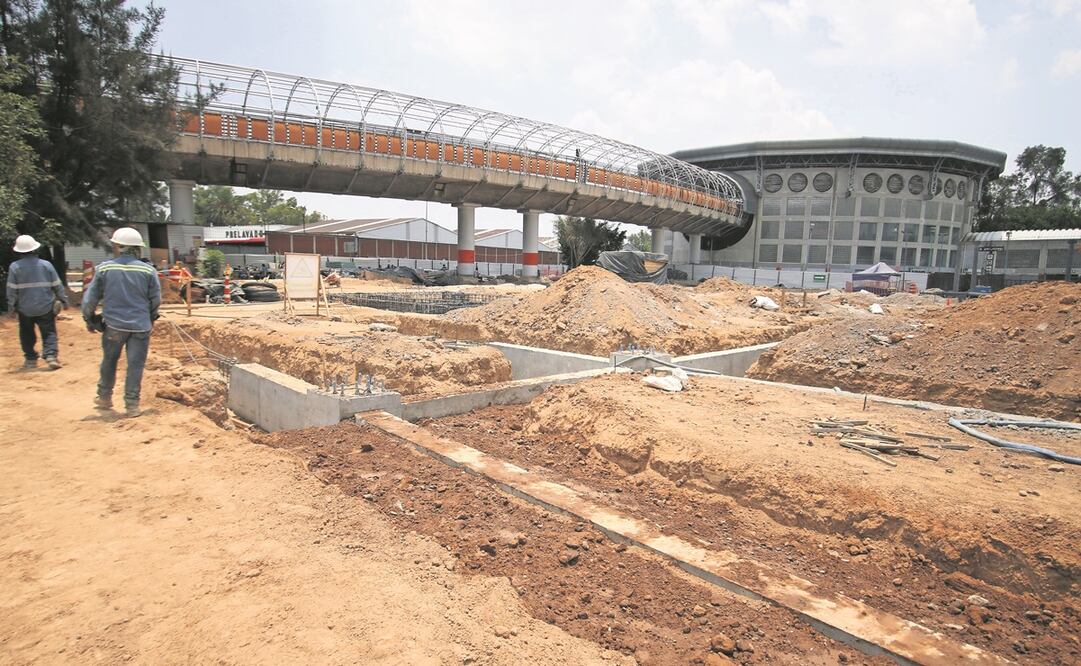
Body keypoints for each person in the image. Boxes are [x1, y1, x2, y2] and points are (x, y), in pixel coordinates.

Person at [81, 227, 161, 417]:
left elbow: (90, 299)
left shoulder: (105, 268)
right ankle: (132, 405)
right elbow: (155, 299)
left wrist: (89, 319)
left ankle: (104, 397)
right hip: (140, 326)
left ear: (118, 247)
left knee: (109, 361)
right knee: (135, 365)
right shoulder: (148, 270)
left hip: (114, 326)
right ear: (137, 248)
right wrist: (150, 317)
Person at [6, 235, 67, 370]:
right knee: (49, 332)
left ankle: (30, 359)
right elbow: (57, 285)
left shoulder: (15, 267)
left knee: (26, 334)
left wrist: (11, 307)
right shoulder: (46, 265)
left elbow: (11, 290)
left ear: (19, 251)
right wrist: (63, 299)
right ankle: (50, 356)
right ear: (35, 249)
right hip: (45, 307)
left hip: (24, 309)